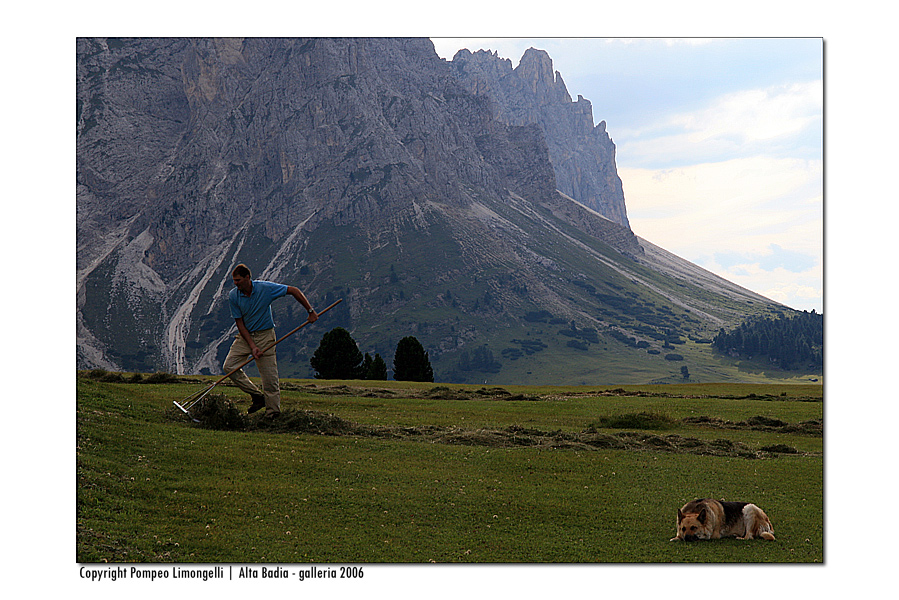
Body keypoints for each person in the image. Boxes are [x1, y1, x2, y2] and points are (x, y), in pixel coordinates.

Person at [224, 264, 318, 418]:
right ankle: (257, 396)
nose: (235, 283)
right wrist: (252, 346)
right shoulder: (234, 296)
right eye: (234, 280)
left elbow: (293, 290)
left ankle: (272, 413)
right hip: (245, 336)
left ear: (247, 277)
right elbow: (239, 323)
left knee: (270, 379)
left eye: (238, 280)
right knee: (229, 366)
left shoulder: (265, 288)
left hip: (265, 336)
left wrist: (310, 311)